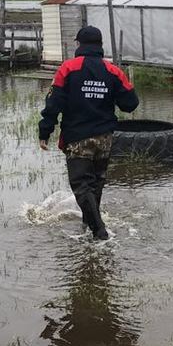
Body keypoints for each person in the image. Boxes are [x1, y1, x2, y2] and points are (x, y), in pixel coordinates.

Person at [39, 26, 139, 240]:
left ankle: (99, 232)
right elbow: (130, 104)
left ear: (78, 45)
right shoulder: (113, 71)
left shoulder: (68, 68)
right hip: (105, 138)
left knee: (81, 185)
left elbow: (53, 103)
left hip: (77, 137)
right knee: (95, 183)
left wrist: (44, 131)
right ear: (100, 45)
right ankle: (89, 224)